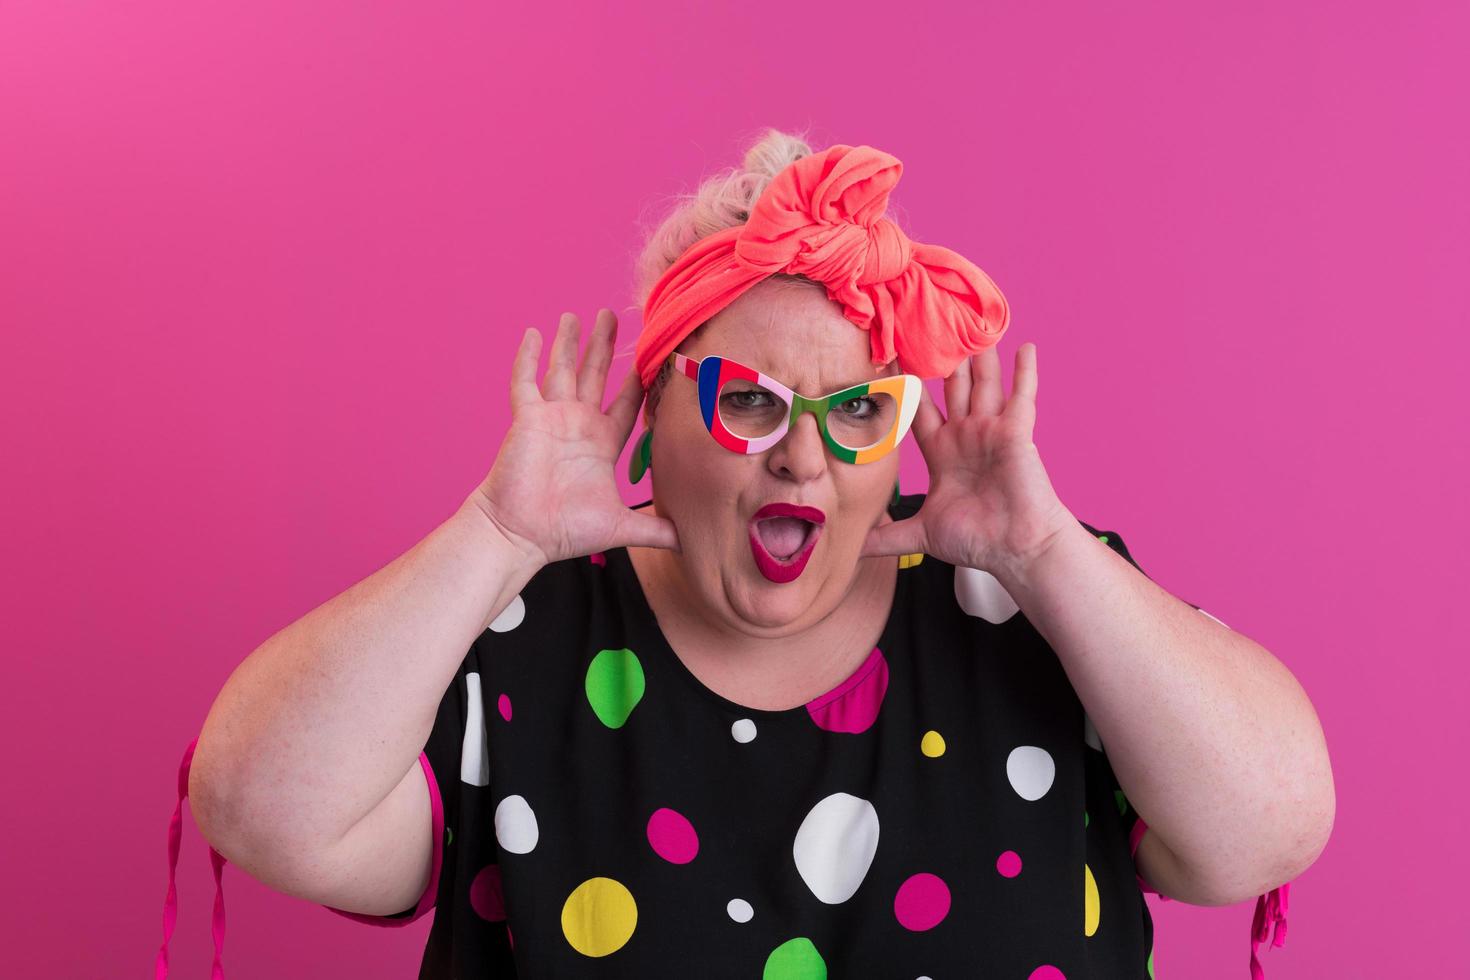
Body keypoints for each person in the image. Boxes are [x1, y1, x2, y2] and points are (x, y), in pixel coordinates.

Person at [157, 130, 1327, 979]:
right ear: (654, 407)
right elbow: (259, 805)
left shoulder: (1031, 610)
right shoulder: (514, 640)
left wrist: (1042, 550)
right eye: (748, 402)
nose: (803, 460)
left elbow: (1266, 829)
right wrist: (497, 537)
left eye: (859, 410)